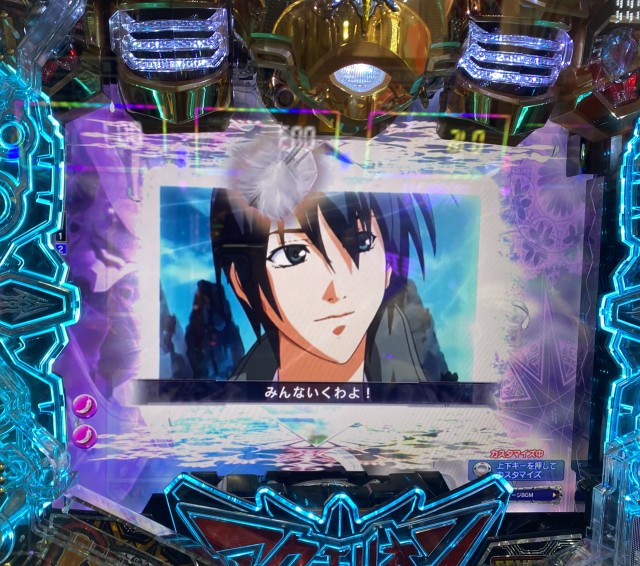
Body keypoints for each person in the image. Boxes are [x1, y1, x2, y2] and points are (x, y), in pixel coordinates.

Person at [210, 188, 441, 382]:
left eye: (362, 243)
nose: (337, 290)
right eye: (293, 254)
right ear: (241, 282)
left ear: (388, 267)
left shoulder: (423, 406)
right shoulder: (224, 414)